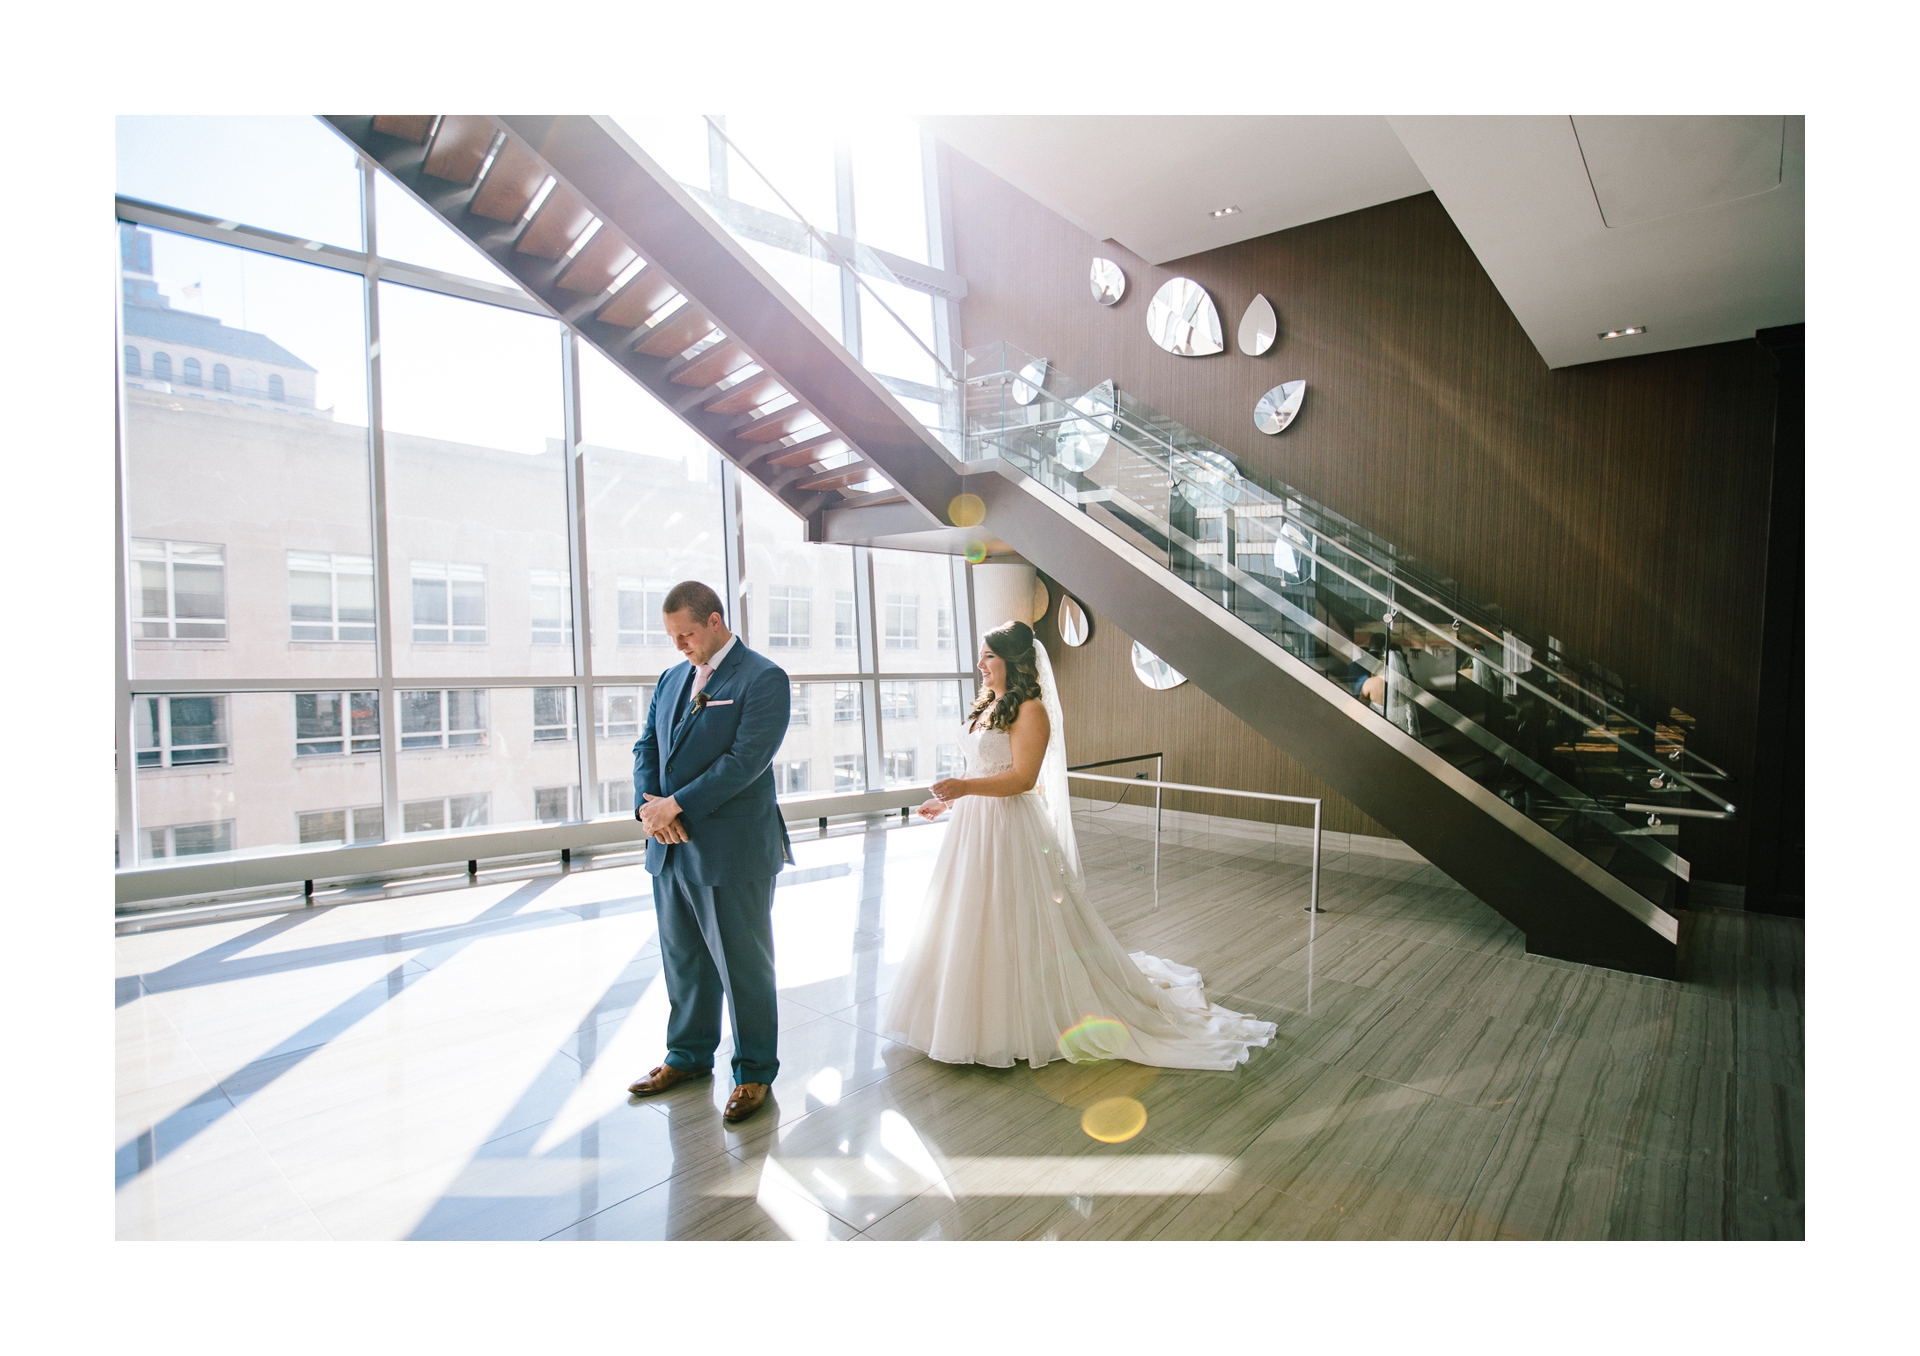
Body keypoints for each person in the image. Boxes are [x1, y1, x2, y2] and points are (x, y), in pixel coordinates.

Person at [879, 619, 1276, 1070]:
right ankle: (959, 1012)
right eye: (982, 655)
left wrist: (965, 790)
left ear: (1014, 660)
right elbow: (982, 767)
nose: (980, 664)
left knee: (1013, 919)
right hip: (973, 827)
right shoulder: (990, 704)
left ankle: (1014, 1019)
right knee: (966, 915)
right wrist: (948, 802)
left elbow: (1023, 779)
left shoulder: (1031, 711)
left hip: (1009, 827)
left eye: (989, 655)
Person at [625, 581, 793, 1124]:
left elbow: (746, 761)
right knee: (684, 960)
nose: (679, 646)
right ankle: (689, 1057)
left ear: (716, 621)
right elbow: (647, 745)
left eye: (687, 635)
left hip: (732, 849)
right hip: (670, 845)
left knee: (742, 965)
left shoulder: (763, 678)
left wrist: (678, 805)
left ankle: (752, 1073)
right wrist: (652, 810)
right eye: (672, 636)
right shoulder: (672, 677)